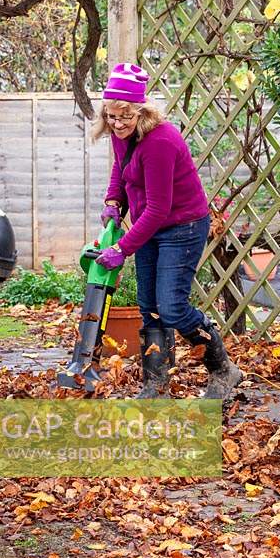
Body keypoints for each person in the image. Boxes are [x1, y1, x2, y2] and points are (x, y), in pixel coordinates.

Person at [92, 62, 243, 400]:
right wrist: (114, 201)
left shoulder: (160, 141)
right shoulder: (122, 134)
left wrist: (122, 249)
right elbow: (121, 165)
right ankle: (156, 385)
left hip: (182, 227)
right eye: (111, 116)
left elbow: (160, 207)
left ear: (140, 111)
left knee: (172, 307)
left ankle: (223, 369)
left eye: (124, 116)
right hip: (150, 224)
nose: (116, 123)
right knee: (150, 307)